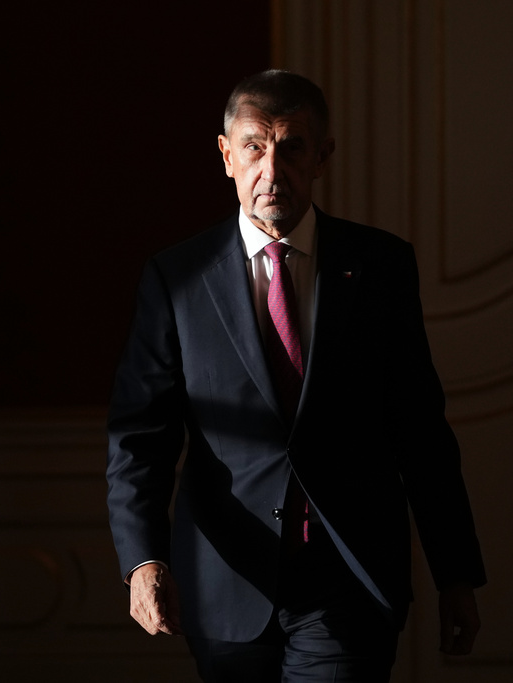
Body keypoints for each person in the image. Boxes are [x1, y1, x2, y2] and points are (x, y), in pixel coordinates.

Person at [106, 69, 486, 682]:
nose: (272, 170)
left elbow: (419, 430)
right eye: (254, 147)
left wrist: (456, 575)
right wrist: (142, 560)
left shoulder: (381, 266)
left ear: (322, 157)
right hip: (226, 582)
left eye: (292, 147)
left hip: (348, 581)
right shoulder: (177, 278)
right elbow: (139, 437)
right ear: (226, 155)